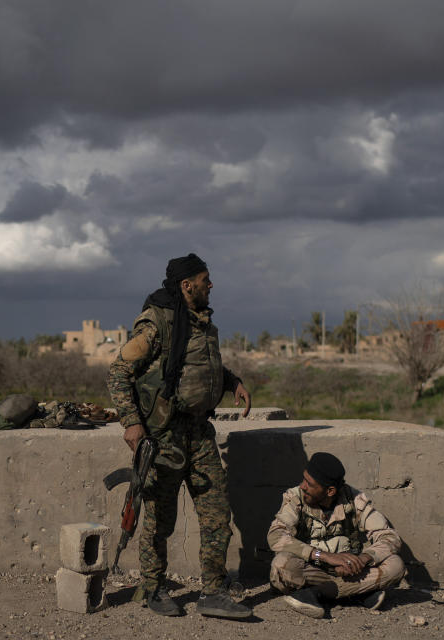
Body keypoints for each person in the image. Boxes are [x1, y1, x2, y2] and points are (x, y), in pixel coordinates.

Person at [107, 253, 252, 619]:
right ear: (187, 286)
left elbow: (200, 364)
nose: (211, 285)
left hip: (199, 432)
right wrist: (131, 423)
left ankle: (214, 593)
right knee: (158, 520)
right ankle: (152, 588)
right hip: (164, 435)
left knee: (217, 515)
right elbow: (118, 373)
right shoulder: (157, 323)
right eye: (206, 279)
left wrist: (232, 381)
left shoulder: (201, 321)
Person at [267, 451, 406, 618]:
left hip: (349, 574)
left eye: (309, 484)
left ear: (330, 491)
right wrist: (324, 556)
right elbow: (276, 535)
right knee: (281, 564)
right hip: (311, 569)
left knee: (395, 565)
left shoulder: (354, 499)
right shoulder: (295, 496)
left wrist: (361, 560)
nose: (303, 486)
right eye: (304, 479)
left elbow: (389, 537)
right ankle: (356, 594)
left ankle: (315, 594)